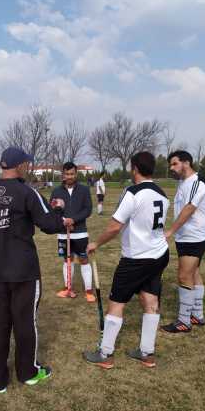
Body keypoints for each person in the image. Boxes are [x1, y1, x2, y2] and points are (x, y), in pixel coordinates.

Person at [0, 147, 72, 393]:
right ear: (20, 165)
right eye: (27, 164)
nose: (28, 167)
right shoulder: (27, 191)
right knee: (25, 322)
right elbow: (48, 224)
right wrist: (60, 212)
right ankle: (27, 372)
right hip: (23, 272)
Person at [83, 152, 170, 369]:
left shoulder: (133, 192)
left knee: (117, 303)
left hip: (136, 259)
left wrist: (96, 243)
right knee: (151, 302)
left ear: (135, 169)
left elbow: (114, 226)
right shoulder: (162, 193)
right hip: (159, 255)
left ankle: (105, 354)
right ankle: (147, 352)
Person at [161, 150, 205, 333]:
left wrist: (170, 231)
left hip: (194, 238)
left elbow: (190, 208)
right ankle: (197, 315)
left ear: (187, 163)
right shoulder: (184, 182)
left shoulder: (198, 182)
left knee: (184, 276)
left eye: (174, 164)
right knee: (194, 273)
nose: (172, 168)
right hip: (189, 237)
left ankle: (184, 321)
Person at [51, 162, 95, 301]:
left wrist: (73, 220)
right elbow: (52, 209)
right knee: (67, 259)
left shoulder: (84, 190)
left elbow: (87, 210)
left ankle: (88, 291)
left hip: (80, 233)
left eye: (72, 174)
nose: (69, 176)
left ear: (76, 174)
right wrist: (63, 220)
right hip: (63, 233)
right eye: (67, 174)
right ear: (63, 174)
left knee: (83, 259)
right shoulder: (56, 191)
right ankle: (67, 288)